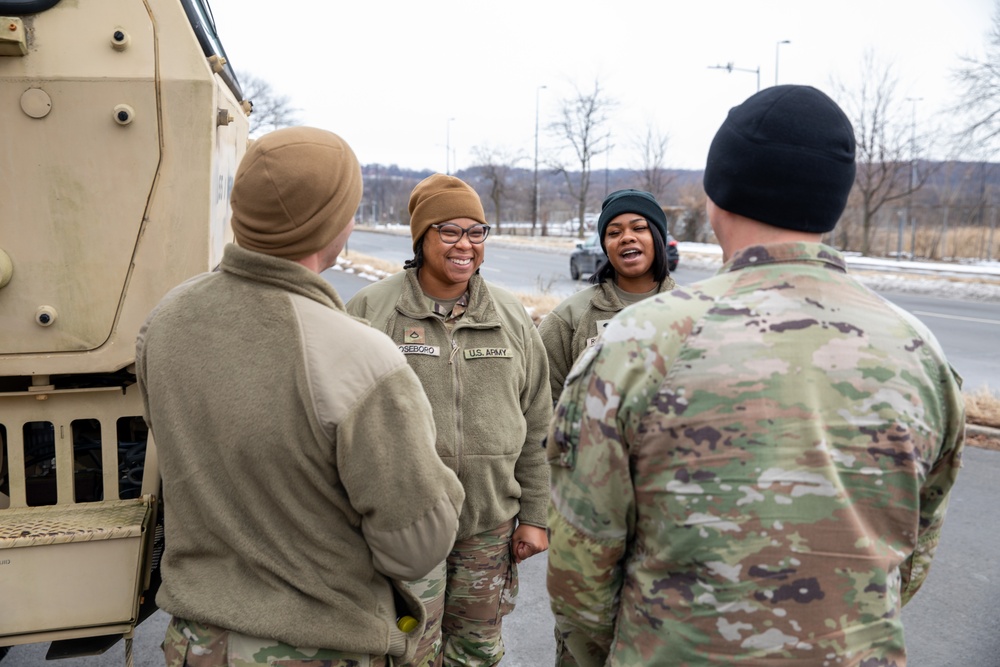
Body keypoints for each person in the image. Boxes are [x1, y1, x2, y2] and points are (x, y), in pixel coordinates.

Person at [546, 85, 966, 666]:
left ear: (717, 196)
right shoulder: (921, 354)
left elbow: (580, 568)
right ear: (834, 203)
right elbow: (911, 555)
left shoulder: (639, 345)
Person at [136, 127, 465, 667]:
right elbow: (415, 547)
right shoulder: (361, 357)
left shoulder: (166, 321)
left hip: (195, 643)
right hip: (317, 648)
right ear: (332, 223)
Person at [346, 173, 551, 667]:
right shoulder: (373, 311)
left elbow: (538, 420)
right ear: (421, 237)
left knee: (476, 652)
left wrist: (537, 516)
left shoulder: (510, 315)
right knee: (406, 652)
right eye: (449, 231)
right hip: (405, 523)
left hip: (488, 524)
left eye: (476, 231)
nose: (465, 245)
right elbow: (339, 420)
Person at [538, 188, 676, 404]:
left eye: (639, 228)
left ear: (658, 237)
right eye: (614, 232)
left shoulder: (693, 310)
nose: (627, 238)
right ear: (605, 246)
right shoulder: (570, 317)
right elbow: (542, 401)